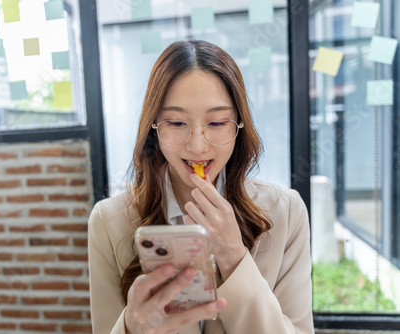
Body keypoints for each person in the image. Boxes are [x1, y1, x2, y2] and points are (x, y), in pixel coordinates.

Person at [88, 40, 313, 334]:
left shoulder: (286, 212)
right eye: (177, 123)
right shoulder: (108, 221)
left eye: (218, 123)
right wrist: (131, 328)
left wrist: (234, 257)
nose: (197, 146)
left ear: (239, 127)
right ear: (154, 127)